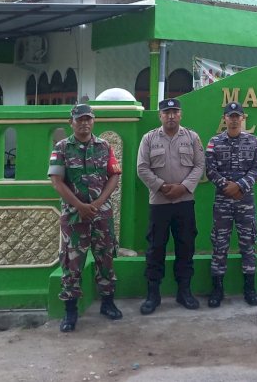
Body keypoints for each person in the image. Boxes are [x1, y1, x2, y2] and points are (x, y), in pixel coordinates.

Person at [48, 104, 123, 332]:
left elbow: (114, 176)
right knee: (72, 263)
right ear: (71, 121)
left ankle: (107, 304)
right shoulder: (62, 148)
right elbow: (56, 181)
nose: (84, 123)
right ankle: (70, 312)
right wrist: (79, 205)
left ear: (94, 120)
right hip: (74, 217)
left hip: (102, 216)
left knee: (106, 258)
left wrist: (98, 203)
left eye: (88, 119)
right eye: (80, 119)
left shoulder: (104, 146)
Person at [137, 98, 205, 315]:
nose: (171, 116)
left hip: (185, 202)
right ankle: (153, 294)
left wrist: (183, 187)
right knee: (156, 248)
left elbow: (200, 165)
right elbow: (142, 168)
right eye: (167, 112)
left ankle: (184, 291)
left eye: (175, 111)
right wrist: (162, 186)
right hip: (160, 203)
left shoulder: (192, 138)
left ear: (181, 114)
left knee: (186, 246)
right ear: (160, 116)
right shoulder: (149, 139)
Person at [205, 102, 257, 307]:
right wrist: (226, 187)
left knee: (248, 245)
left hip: (245, 201)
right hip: (222, 201)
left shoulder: (253, 141)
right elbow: (210, 170)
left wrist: (239, 186)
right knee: (219, 244)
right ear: (225, 118)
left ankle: (250, 288)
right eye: (230, 116)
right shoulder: (214, 142)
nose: (234, 119)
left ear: (243, 118)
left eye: (237, 116)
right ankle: (217, 289)